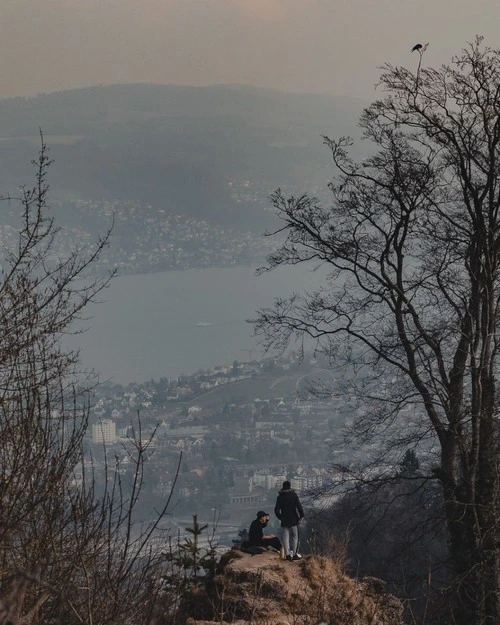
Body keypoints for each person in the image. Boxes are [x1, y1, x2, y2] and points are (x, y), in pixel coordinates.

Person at [274, 480, 305, 561]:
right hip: (294, 519)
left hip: (284, 519)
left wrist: (280, 517)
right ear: (290, 486)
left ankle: (287, 555)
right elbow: (299, 506)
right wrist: (301, 515)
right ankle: (294, 554)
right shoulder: (294, 495)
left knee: (285, 537)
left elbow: (276, 510)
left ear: (283, 487)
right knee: (295, 536)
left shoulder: (280, 497)